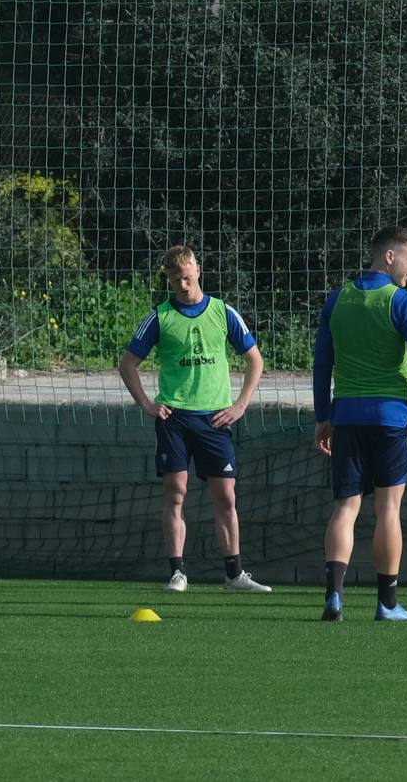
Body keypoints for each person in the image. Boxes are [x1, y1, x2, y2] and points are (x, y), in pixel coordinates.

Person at [117, 245, 271, 593]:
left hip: (215, 418)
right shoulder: (160, 317)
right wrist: (147, 404)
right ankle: (177, 572)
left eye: (187, 277)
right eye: (175, 280)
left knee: (226, 496)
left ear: (198, 271)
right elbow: (128, 364)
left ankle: (234, 574)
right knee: (176, 492)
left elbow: (255, 361)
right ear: (169, 281)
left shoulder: (222, 312)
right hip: (175, 417)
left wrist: (240, 405)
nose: (183, 285)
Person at [313, 226, 407, 622]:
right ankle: (387, 603)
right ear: (389, 257)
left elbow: (321, 365)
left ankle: (334, 597)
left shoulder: (338, 299)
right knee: (387, 509)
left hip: (347, 416)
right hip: (390, 418)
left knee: (345, 508)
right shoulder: (403, 303)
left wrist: (323, 416)